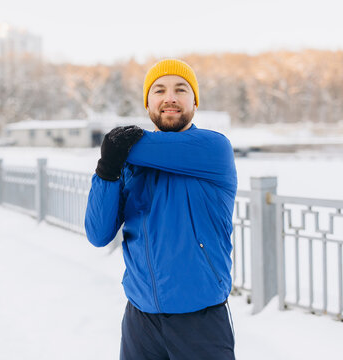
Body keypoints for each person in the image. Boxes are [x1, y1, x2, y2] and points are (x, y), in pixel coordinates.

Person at [84, 59, 237, 360]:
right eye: (159, 90)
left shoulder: (213, 148)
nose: (170, 97)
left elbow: (123, 144)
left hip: (200, 322)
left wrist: (114, 147)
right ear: (148, 102)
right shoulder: (129, 162)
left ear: (194, 101)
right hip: (140, 321)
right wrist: (107, 170)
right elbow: (98, 233)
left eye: (181, 89)